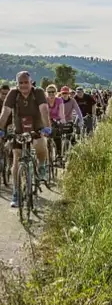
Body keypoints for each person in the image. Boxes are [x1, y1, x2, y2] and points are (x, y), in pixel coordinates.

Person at [0, 71, 51, 207]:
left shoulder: (38, 92)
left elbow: (44, 110)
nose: (23, 85)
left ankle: (41, 166)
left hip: (36, 125)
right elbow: (5, 112)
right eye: (20, 83)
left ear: (31, 82)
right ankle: (16, 192)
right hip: (19, 128)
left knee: (40, 144)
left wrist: (47, 127)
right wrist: (0, 129)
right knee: (16, 159)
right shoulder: (13, 94)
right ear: (17, 84)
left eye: (26, 82)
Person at [46, 84, 65, 160]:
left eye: (53, 92)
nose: (51, 94)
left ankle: (59, 155)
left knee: (57, 136)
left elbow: (61, 113)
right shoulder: (44, 100)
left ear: (56, 92)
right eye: (49, 92)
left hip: (56, 120)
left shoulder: (59, 100)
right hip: (46, 120)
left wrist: (62, 121)